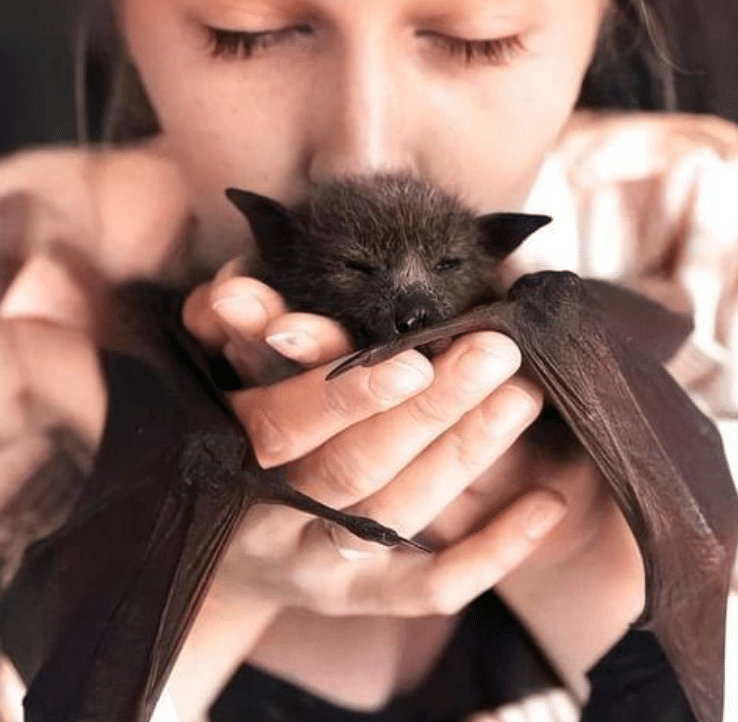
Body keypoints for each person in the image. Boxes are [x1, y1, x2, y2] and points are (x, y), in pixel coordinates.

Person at [0, 1, 736, 721]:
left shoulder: (710, 244)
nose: (362, 153)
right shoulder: (28, 292)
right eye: (248, 33)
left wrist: (573, 542)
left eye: (478, 37)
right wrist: (210, 591)